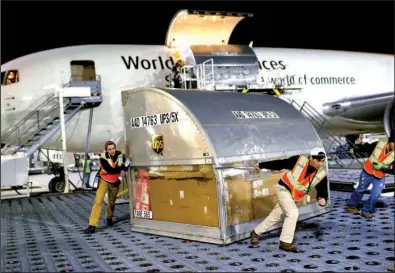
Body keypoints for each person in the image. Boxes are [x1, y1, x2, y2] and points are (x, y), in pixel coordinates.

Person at [250, 147, 328, 252]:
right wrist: (262, 165)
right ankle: (285, 242)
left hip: (293, 197)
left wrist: (322, 198)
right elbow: (281, 164)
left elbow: (322, 190)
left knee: (275, 216)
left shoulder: (321, 174)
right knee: (293, 213)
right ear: (310, 158)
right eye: (318, 160)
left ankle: (255, 232)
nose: (320, 163)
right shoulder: (299, 161)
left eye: (322, 161)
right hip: (283, 189)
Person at [84, 141, 131, 234]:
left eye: (113, 148)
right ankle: (92, 225)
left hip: (115, 182)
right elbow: (111, 170)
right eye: (110, 149)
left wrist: (125, 166)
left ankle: (109, 217)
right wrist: (123, 166)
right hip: (104, 181)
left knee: (112, 202)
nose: (112, 151)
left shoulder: (120, 155)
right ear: (106, 150)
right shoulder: (103, 158)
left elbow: (125, 168)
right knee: (98, 201)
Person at [346, 133, 394, 218]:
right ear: (390, 141)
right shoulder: (378, 144)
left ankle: (366, 211)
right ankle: (351, 206)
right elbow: (365, 147)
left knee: (375, 194)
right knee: (360, 190)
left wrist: (382, 168)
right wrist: (355, 150)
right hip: (367, 171)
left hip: (380, 176)